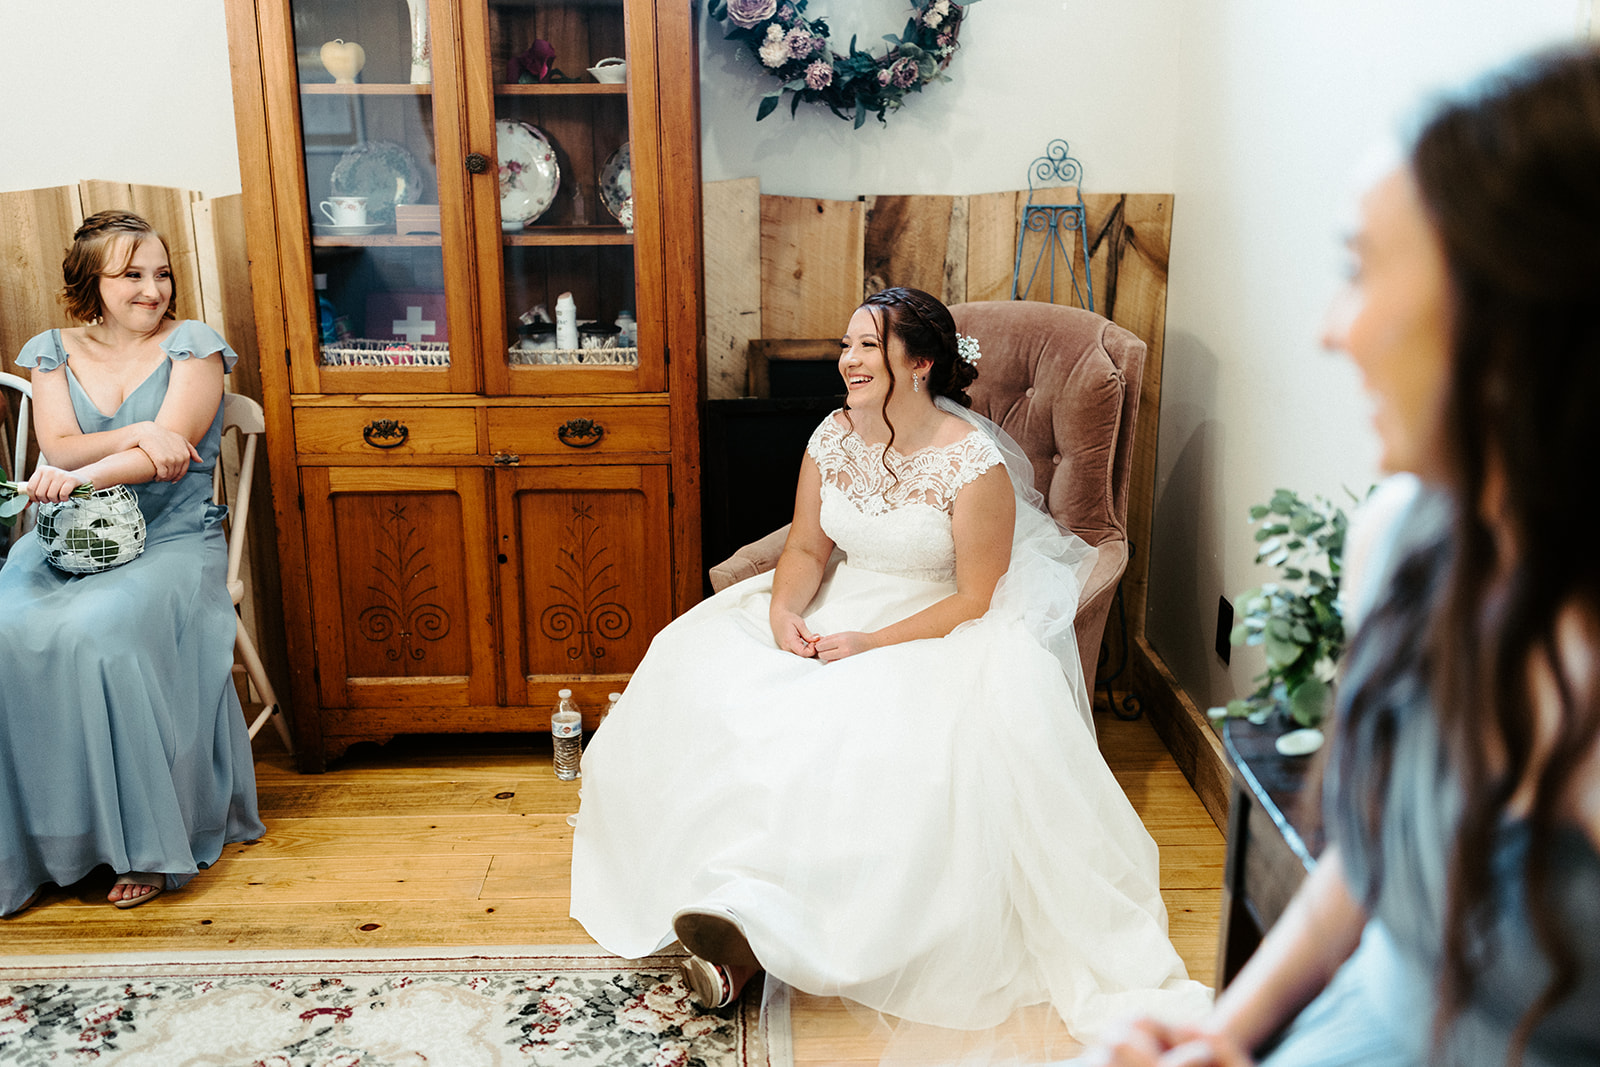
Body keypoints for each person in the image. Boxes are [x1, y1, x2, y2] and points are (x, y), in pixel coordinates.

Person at [1084, 46, 1600, 1067]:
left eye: (1361, 271)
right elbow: (1365, 871)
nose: (1333, 332)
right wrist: (1223, 1030)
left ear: (1518, 309)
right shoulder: (1403, 538)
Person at [570, 286, 1211, 1039]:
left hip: (931, 630)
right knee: (700, 674)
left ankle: (753, 932)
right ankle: (728, 906)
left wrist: (871, 645)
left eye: (868, 345)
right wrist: (783, 613)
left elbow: (976, 597)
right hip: (834, 605)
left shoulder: (971, 464)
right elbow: (805, 548)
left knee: (842, 734)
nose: (848, 359)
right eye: (846, 344)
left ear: (920, 363)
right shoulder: (832, 435)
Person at [0, 211, 264, 916]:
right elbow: (58, 443)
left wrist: (85, 469)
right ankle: (41, 844)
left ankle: (142, 841)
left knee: (100, 630)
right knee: (6, 625)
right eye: (132, 275)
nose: (153, 290)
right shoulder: (53, 351)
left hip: (172, 537)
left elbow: (167, 456)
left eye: (163, 273)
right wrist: (134, 431)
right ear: (92, 281)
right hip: (69, 535)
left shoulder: (194, 346)